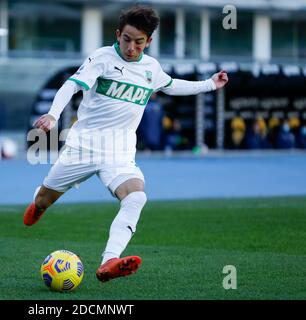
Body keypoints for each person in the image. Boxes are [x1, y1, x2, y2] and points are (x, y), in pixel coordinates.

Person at [23, 6, 228, 282]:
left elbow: (170, 85)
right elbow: (71, 85)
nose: (131, 47)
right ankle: (39, 204)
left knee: (136, 197)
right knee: (45, 199)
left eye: (139, 42)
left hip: (119, 152)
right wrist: (52, 114)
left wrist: (209, 85)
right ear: (118, 34)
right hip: (83, 146)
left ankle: (109, 261)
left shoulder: (151, 68)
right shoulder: (102, 58)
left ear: (149, 41)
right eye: (127, 39)